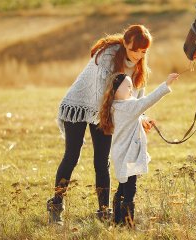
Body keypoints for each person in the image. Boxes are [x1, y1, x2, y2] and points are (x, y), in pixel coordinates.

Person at [47, 24, 157, 225]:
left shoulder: (141, 68)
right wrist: (127, 115)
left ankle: (104, 211)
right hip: (80, 105)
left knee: (102, 161)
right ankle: (56, 204)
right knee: (72, 156)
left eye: (143, 52)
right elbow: (101, 95)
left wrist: (141, 118)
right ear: (125, 43)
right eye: (133, 50)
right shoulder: (108, 55)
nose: (138, 55)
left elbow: (135, 101)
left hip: (107, 110)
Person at [98, 72, 178, 226]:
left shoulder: (114, 106)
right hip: (130, 155)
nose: (131, 89)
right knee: (130, 189)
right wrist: (166, 84)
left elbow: (134, 114)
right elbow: (147, 101)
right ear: (116, 90)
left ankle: (117, 220)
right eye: (127, 86)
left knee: (123, 186)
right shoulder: (129, 106)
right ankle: (127, 222)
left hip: (121, 154)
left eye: (131, 86)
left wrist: (143, 119)